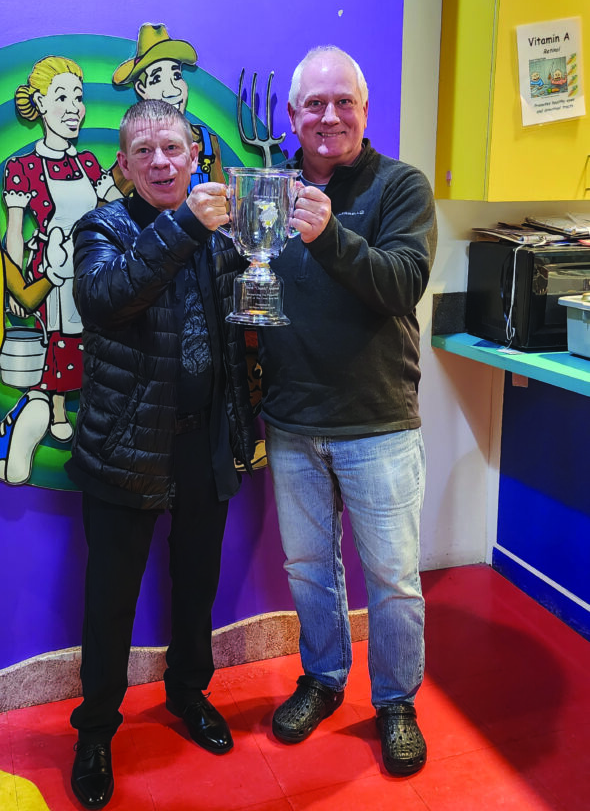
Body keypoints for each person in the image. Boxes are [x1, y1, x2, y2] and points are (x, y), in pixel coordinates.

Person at [65, 99, 254, 809]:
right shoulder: (102, 228)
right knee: (110, 601)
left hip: (205, 440)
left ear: (194, 155)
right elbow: (105, 297)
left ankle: (188, 693)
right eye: (143, 151)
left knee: (196, 584)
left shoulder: (218, 227)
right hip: (126, 445)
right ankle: (95, 729)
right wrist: (186, 225)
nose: (160, 162)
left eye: (172, 147)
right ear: (123, 165)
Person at [258, 46, 437, 777]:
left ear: (365, 110)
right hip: (292, 421)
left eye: (343, 102)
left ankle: (396, 702)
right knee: (308, 568)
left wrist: (329, 234)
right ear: (292, 115)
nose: (329, 116)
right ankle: (324, 678)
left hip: (378, 421)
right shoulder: (269, 188)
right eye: (314, 104)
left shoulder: (401, 186)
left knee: (393, 578)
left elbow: (402, 284)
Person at [0, 56, 120, 483]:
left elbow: (116, 205)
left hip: (90, 265)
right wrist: (15, 287)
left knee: (90, 334)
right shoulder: (22, 168)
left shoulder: (88, 162)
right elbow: (15, 234)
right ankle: (52, 407)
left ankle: (87, 405)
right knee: (58, 338)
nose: (74, 108)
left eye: (78, 98)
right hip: (50, 267)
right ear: (40, 104)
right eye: (62, 97)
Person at [111, 23, 225, 194]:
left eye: (176, 76)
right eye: (157, 79)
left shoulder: (206, 141)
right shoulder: (135, 146)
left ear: (193, 154)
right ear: (141, 89)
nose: (173, 90)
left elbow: (222, 198)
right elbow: (109, 194)